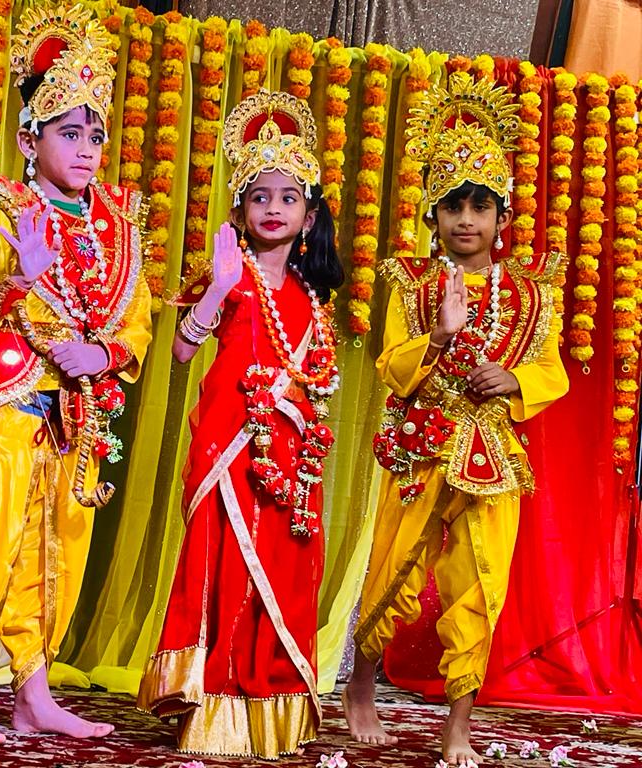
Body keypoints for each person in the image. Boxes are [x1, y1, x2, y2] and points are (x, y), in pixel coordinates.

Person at [343, 72, 569, 766]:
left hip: (492, 454)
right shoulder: (410, 283)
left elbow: (553, 370)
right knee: (392, 569)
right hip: (421, 446)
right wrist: (439, 338)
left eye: (480, 206)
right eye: (452, 206)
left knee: (480, 585)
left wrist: (516, 379)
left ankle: (458, 725)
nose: (465, 220)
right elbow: (392, 366)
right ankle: (360, 685)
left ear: (502, 217)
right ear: (432, 215)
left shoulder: (532, 293)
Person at [0, 2, 153, 745]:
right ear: (29, 139)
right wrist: (18, 282)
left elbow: (136, 322)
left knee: (58, 550)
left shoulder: (119, 228)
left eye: (96, 135)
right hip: (8, 403)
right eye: (70, 133)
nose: (88, 149)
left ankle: (33, 693)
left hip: (78, 415)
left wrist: (101, 355)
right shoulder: (4, 216)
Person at [137, 90, 344, 760]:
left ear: (310, 213)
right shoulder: (230, 273)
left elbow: (314, 377)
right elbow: (182, 351)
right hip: (231, 445)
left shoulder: (312, 295)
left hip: (291, 459)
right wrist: (219, 291)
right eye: (260, 197)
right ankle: (213, 702)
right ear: (239, 210)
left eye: (288, 197)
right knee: (225, 564)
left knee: (282, 571)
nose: (273, 208)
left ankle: (270, 708)